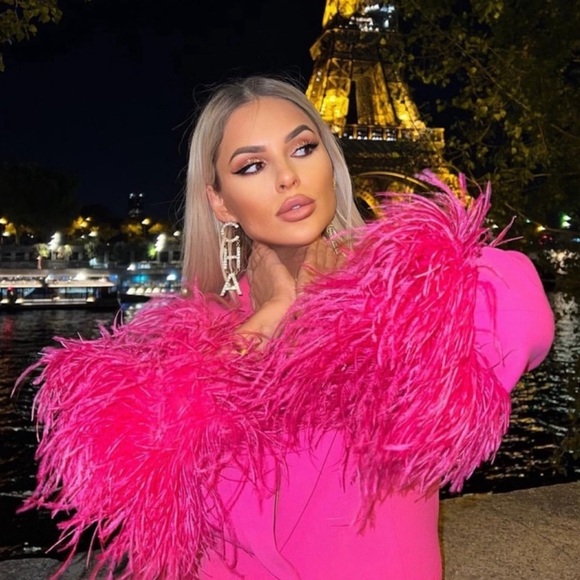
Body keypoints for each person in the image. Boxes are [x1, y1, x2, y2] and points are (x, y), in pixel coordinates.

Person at [20, 76, 555, 579]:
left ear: (330, 163)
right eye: (252, 165)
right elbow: (129, 471)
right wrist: (276, 310)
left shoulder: (407, 299)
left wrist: (373, 267)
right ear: (220, 201)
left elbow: (522, 313)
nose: (287, 176)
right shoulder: (195, 334)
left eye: (303, 148)